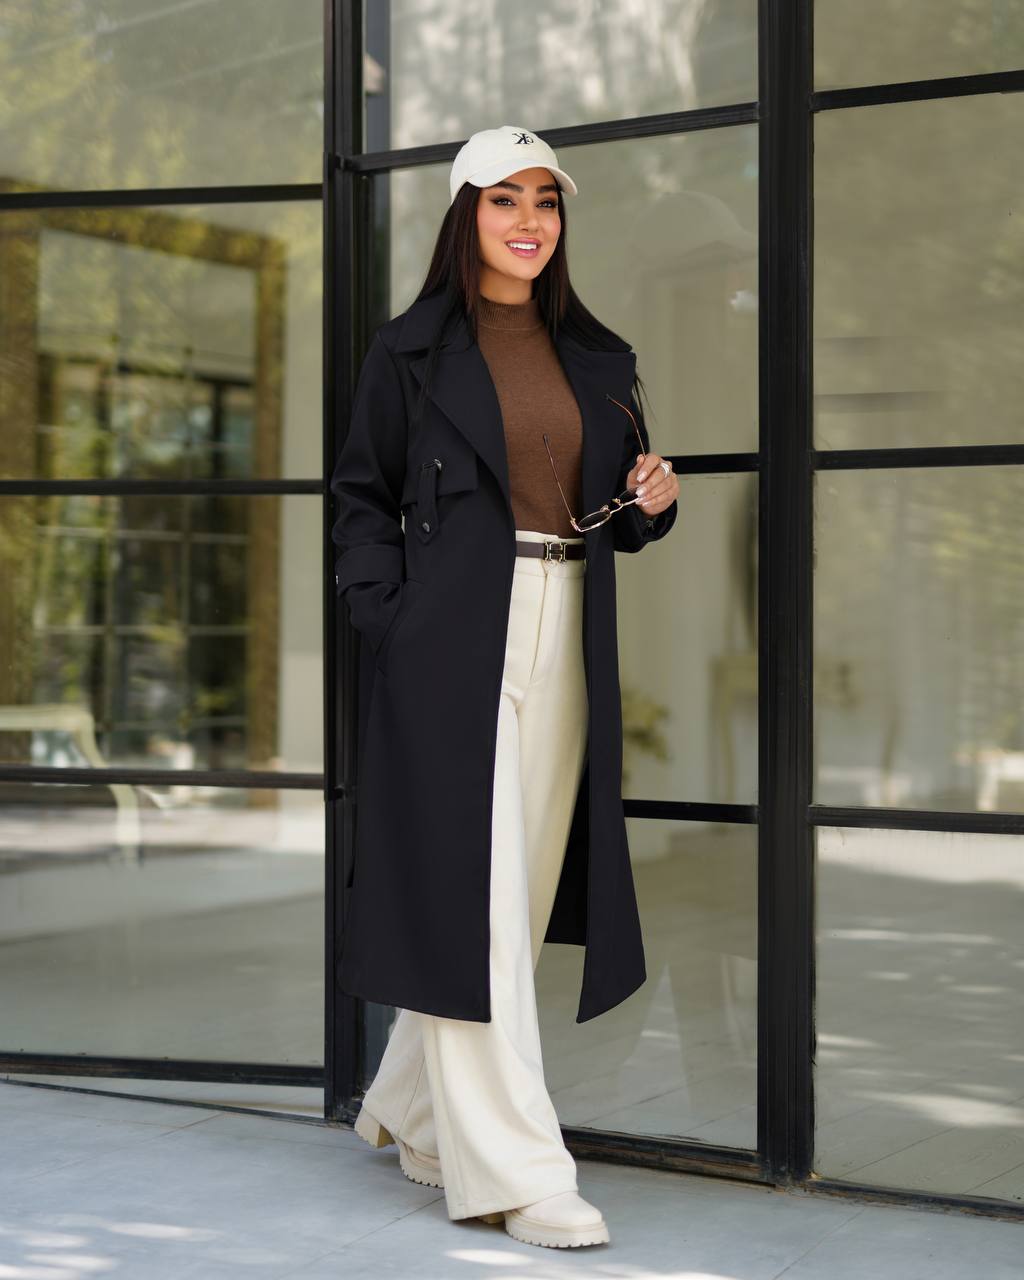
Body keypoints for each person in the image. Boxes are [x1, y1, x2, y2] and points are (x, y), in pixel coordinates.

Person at [330, 123, 679, 1249]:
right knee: (475, 901)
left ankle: (413, 1107)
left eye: (546, 200)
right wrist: (391, 621)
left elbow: (615, 504)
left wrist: (653, 499)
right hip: (451, 635)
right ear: (465, 214)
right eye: (504, 199)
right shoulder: (408, 353)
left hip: (565, 621)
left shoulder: (597, 356)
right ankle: (518, 1171)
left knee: (511, 900)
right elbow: (360, 500)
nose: (529, 220)